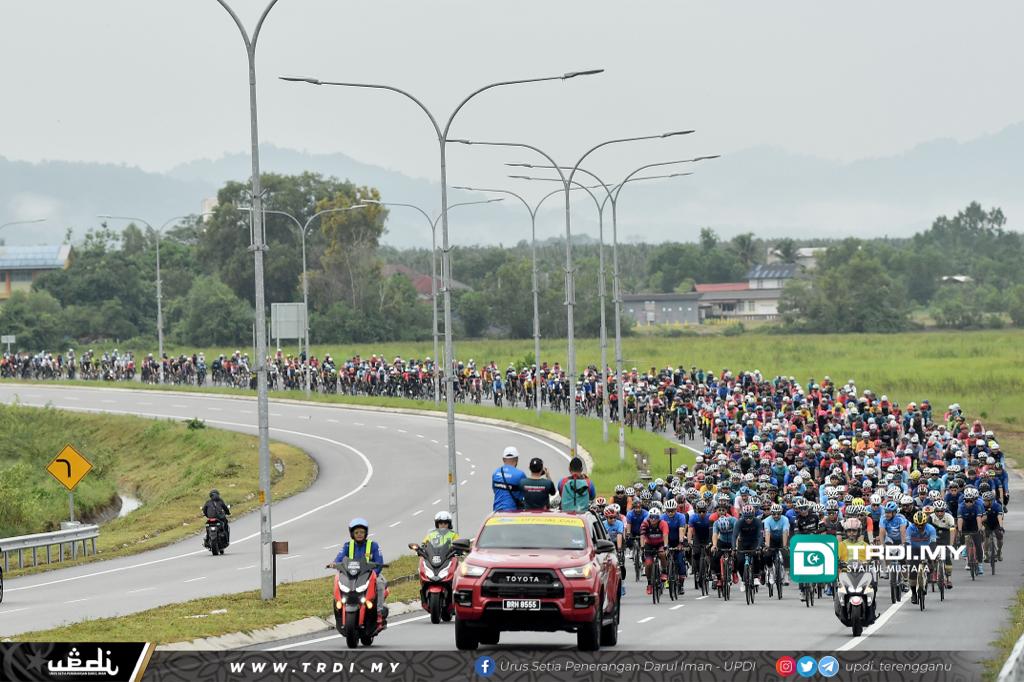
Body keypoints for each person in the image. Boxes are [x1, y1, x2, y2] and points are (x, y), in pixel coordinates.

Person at [332, 518, 388, 627]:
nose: (359, 534)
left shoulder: (373, 545)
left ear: (366, 533)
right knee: (338, 580)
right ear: (352, 534)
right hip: (352, 577)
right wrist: (334, 564)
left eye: (362, 532)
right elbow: (338, 559)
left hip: (370, 575)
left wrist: (374, 573)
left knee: (380, 583)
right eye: (356, 532)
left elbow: (379, 561)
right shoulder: (347, 545)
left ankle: (379, 612)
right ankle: (339, 608)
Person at [491, 446, 526, 511]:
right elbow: (525, 494)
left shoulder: (495, 473)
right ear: (517, 459)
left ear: (503, 459)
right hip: (512, 513)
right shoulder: (520, 474)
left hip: (497, 512)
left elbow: (495, 490)